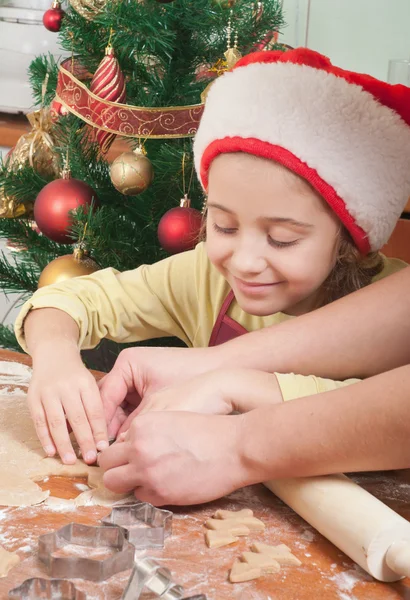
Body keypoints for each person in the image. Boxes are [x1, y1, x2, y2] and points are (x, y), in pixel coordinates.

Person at [15, 48, 410, 468]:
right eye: (224, 226)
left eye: (281, 239)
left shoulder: (388, 297)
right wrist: (55, 356)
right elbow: (73, 298)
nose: (244, 261)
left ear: (348, 239)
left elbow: (369, 413)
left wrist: (233, 386)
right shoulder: (206, 279)